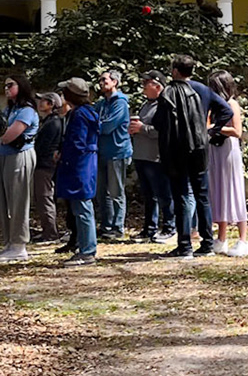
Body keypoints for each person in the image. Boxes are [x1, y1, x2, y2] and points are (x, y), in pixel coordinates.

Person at [150, 53, 232, 260]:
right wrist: (211, 132)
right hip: (200, 147)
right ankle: (206, 244)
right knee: (202, 196)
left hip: (177, 149)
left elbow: (159, 122)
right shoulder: (203, 89)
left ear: (175, 71)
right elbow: (226, 111)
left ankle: (184, 245)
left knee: (181, 196)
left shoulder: (169, 91)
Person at [0, 75, 39, 261]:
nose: (6, 89)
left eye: (10, 85)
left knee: (18, 201)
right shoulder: (9, 109)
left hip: (19, 156)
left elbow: (8, 135)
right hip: (3, 156)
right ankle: (9, 241)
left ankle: (19, 244)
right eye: (5, 85)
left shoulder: (26, 110)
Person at [55, 77, 100, 265]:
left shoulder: (79, 115)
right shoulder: (89, 111)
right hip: (86, 163)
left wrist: (63, 155)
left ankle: (87, 250)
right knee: (81, 207)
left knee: (82, 207)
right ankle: (84, 246)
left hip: (79, 165)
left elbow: (77, 142)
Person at [205, 71, 248, 258]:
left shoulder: (232, 104)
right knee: (218, 191)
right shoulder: (213, 106)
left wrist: (216, 128)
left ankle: (242, 240)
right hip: (214, 150)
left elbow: (237, 131)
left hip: (228, 151)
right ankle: (221, 237)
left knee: (233, 190)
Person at [128, 70, 174, 243]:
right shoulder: (145, 105)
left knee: (164, 194)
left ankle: (170, 227)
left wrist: (143, 129)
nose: (143, 87)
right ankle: (149, 228)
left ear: (157, 86)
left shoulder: (165, 105)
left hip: (156, 157)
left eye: (146, 84)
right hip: (141, 155)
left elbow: (164, 131)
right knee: (148, 195)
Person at [95, 69, 133, 242]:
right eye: (100, 80)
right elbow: (93, 121)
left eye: (105, 80)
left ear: (115, 82)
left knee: (116, 191)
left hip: (118, 152)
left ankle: (118, 228)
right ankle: (106, 226)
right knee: (102, 192)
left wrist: (97, 127)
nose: (102, 83)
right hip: (102, 152)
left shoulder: (121, 103)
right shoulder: (101, 104)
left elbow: (108, 127)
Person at [32, 91, 64, 246]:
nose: (40, 103)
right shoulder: (48, 121)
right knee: (42, 198)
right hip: (43, 164)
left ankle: (51, 233)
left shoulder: (53, 123)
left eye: (43, 101)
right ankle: (47, 230)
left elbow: (43, 146)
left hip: (45, 165)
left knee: (45, 197)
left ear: (51, 104)